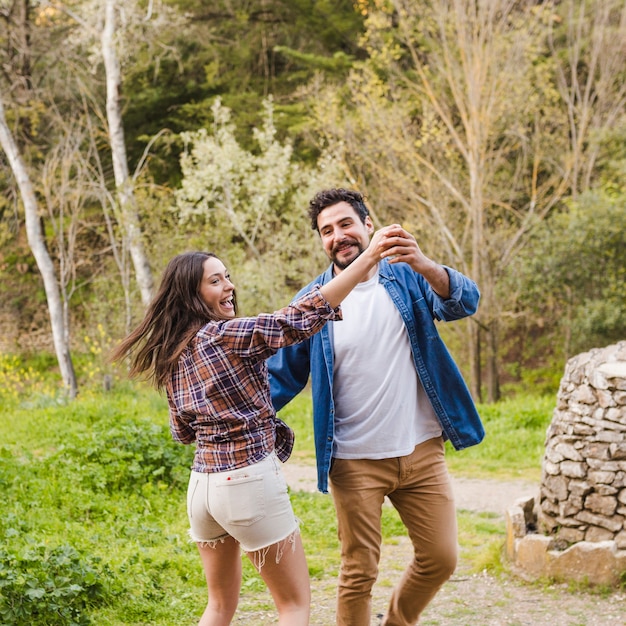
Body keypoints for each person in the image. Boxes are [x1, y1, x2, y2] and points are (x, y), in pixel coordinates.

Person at [110, 225, 399, 626]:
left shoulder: (173, 353)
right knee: (293, 606)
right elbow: (295, 319)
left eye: (227, 276)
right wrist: (367, 259)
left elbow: (182, 432)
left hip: (202, 490)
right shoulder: (225, 336)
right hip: (245, 482)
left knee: (219, 606)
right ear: (191, 294)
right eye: (215, 280)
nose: (229, 286)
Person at [267, 188, 485, 626]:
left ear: (369, 225)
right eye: (326, 231)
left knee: (441, 558)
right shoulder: (315, 301)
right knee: (359, 571)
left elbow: (464, 302)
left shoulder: (406, 276)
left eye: (345, 224)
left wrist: (423, 262)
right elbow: (279, 377)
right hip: (353, 461)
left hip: (421, 450)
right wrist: (226, 416)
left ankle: (397, 622)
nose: (338, 236)